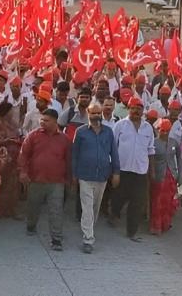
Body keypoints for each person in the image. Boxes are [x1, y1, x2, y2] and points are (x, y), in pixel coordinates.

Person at [19, 109, 71, 251]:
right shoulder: (33, 136)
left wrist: (69, 179)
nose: (42, 122)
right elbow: (24, 155)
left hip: (56, 183)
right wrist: (23, 172)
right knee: (33, 206)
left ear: (55, 122)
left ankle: (56, 239)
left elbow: (68, 160)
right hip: (36, 180)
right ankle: (31, 225)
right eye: (42, 120)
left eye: (46, 120)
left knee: (56, 210)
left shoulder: (64, 139)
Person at [71, 103, 119, 254]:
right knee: (87, 207)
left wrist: (116, 172)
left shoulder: (109, 132)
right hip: (85, 175)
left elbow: (114, 153)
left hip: (102, 176)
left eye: (99, 113)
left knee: (95, 207)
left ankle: (89, 227)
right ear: (88, 113)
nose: (96, 116)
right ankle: (88, 239)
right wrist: (73, 174)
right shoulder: (81, 132)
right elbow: (74, 155)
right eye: (93, 113)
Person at [109, 97, 155, 242]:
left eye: (139, 108)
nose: (136, 111)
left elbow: (151, 150)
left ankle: (132, 232)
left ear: (143, 111)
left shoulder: (148, 128)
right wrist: (113, 169)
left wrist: (151, 170)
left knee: (137, 202)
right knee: (118, 197)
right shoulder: (120, 125)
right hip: (122, 169)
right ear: (128, 109)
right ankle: (114, 214)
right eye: (133, 108)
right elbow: (112, 147)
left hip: (140, 171)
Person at [149, 119, 182, 236]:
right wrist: (151, 173)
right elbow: (150, 159)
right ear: (158, 130)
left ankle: (166, 223)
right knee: (157, 202)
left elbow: (180, 159)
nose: (165, 133)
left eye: (167, 131)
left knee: (169, 202)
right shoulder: (153, 142)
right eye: (162, 130)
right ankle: (156, 226)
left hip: (171, 176)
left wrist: (181, 176)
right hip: (159, 177)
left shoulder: (174, 142)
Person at [0, 100, 23, 219]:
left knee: (13, 184)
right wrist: (8, 140)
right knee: (1, 183)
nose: (12, 113)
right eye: (10, 111)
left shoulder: (12, 123)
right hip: (1, 158)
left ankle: (11, 210)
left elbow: (18, 133)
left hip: (14, 157)